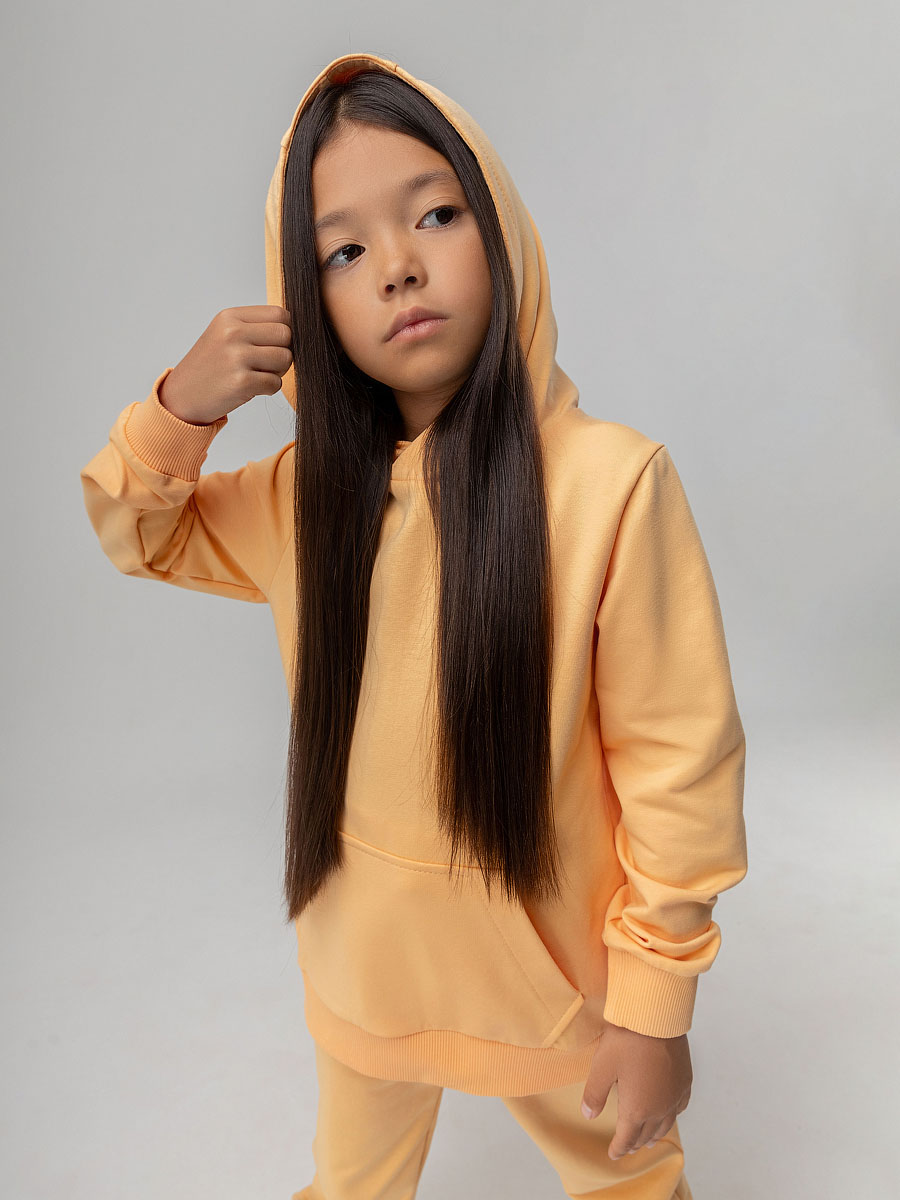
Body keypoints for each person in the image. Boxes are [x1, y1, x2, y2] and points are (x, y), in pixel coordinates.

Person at [80, 51, 748, 1200]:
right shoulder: (307, 499)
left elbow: (678, 764)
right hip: (364, 982)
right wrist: (178, 408)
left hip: (555, 992)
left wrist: (653, 1007)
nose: (397, 266)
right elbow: (145, 535)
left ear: (502, 226)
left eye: (436, 213)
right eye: (343, 251)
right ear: (307, 302)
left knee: (632, 1183)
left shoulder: (610, 487)